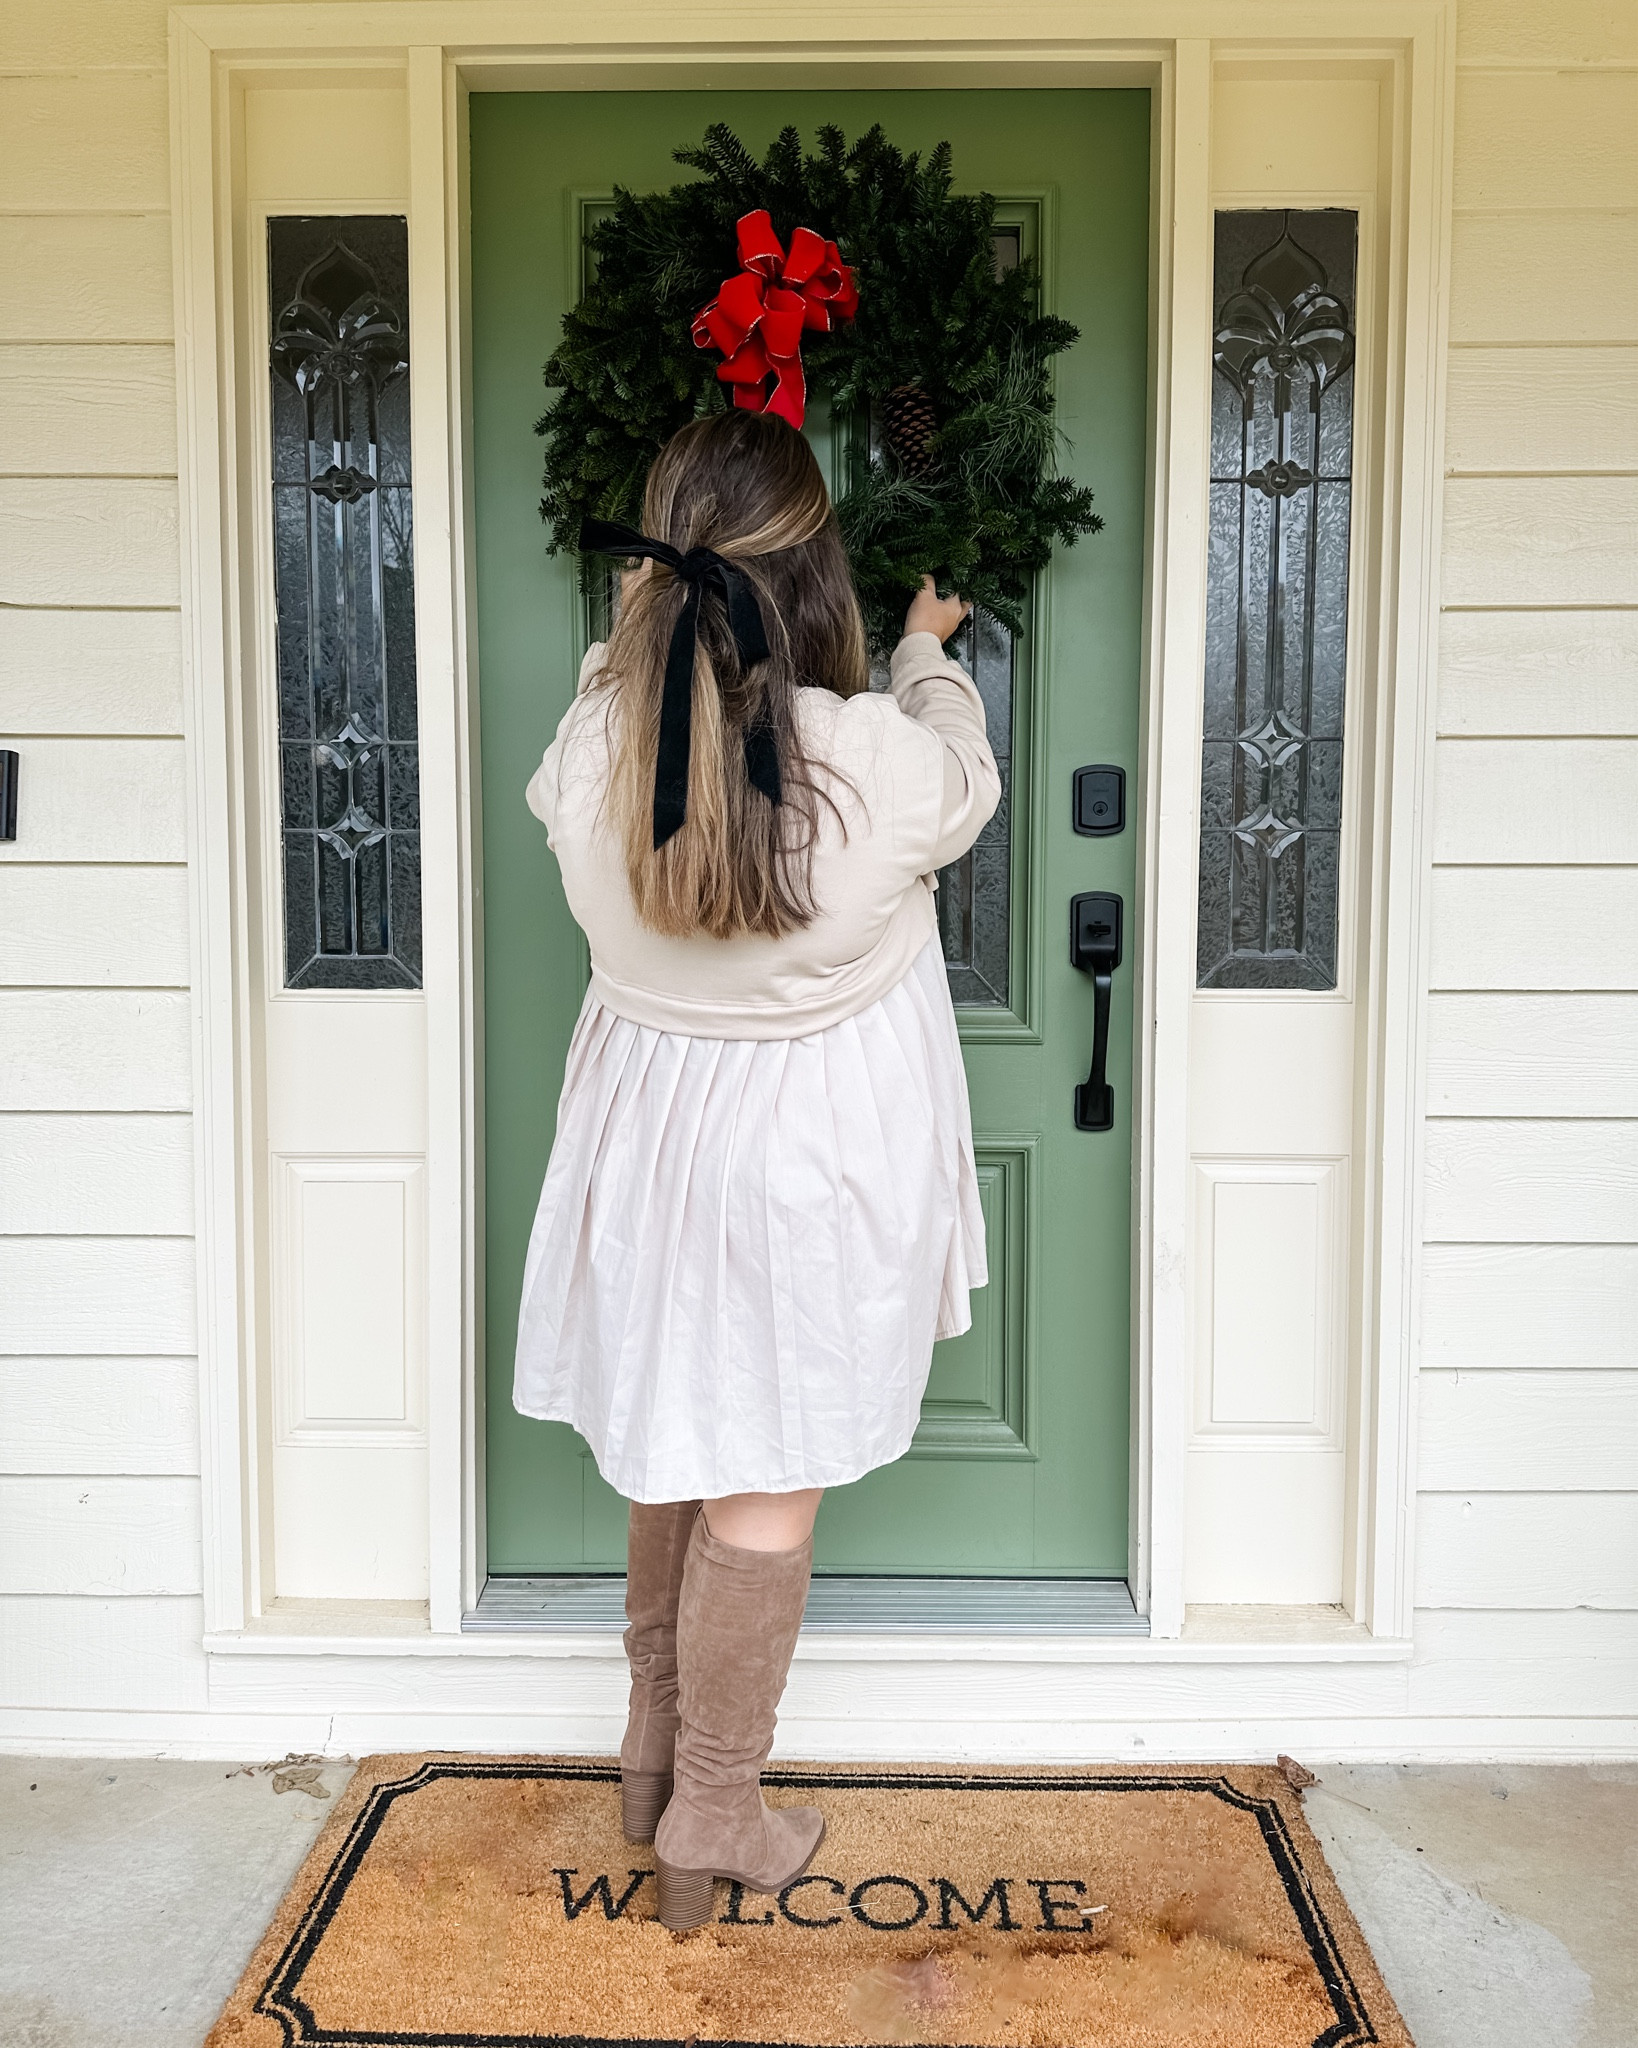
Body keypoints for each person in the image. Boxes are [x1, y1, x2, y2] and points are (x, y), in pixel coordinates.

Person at [513, 408, 1000, 1930]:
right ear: (813, 573)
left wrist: (641, 641)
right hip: (811, 1165)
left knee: (679, 1431)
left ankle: (652, 1747)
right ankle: (718, 1811)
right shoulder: (873, 762)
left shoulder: (595, 743)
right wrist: (924, 651)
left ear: (656, 576)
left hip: (646, 1147)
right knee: (764, 1487)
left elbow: (627, 698)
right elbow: (962, 772)